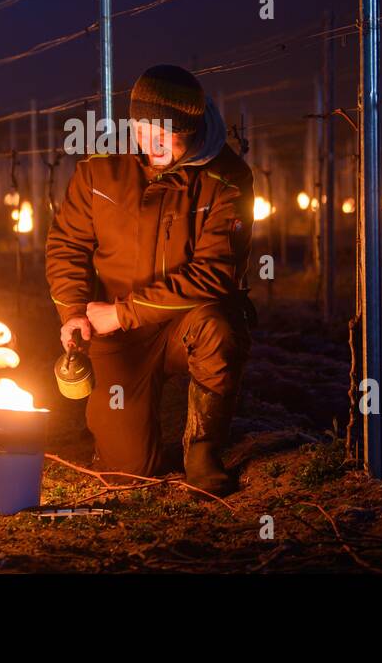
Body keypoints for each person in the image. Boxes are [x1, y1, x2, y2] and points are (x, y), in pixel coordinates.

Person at [46, 64, 255, 493]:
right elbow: (67, 244)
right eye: (143, 129)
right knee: (125, 473)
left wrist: (122, 313)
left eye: (168, 134)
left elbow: (214, 274)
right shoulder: (100, 168)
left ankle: (203, 454)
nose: (153, 143)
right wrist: (72, 311)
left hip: (186, 320)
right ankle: (132, 441)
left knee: (219, 329)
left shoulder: (226, 177)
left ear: (192, 129)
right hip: (118, 334)